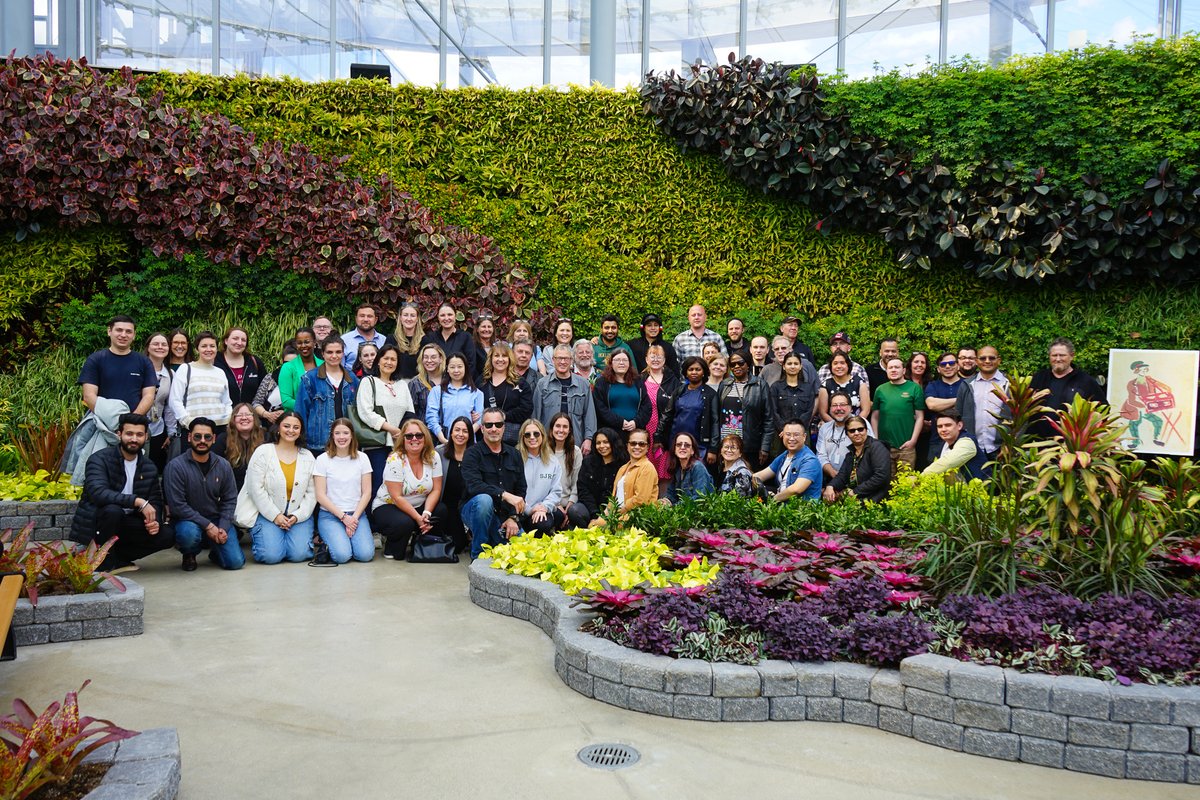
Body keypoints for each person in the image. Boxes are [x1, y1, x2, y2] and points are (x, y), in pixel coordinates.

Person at [69, 413, 170, 572]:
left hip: (127, 522)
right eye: (129, 434)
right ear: (119, 434)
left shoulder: (148, 466)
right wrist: (137, 501)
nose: (134, 439)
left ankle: (115, 558)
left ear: (146, 437)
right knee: (113, 511)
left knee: (168, 535)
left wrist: (154, 521)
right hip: (99, 522)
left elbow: (155, 500)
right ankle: (103, 565)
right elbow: (98, 493)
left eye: (139, 434)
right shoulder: (99, 459)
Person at [239, 411, 318, 564]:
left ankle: (289, 540)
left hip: (297, 514)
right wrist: (275, 516)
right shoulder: (263, 452)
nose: (291, 430)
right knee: (271, 556)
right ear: (278, 428)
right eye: (286, 426)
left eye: (296, 427)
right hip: (268, 511)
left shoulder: (307, 456)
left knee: (298, 555)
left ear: (300, 431)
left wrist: (297, 516)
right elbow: (255, 488)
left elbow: (312, 493)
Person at [166, 417, 242, 571]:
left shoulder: (223, 465)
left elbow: (230, 499)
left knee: (235, 563)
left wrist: (224, 526)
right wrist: (208, 526)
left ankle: (216, 552)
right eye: (197, 436)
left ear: (213, 439)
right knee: (189, 534)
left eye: (207, 437)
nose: (202, 440)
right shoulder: (175, 466)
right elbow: (177, 506)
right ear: (189, 438)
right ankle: (189, 553)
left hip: (216, 518)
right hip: (187, 520)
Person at [371, 419, 446, 559]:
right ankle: (392, 545)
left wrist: (427, 513)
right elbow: (397, 497)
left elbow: (436, 489)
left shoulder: (433, 456)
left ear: (425, 437)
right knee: (404, 523)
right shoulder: (395, 459)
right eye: (409, 436)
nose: (414, 439)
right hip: (389, 505)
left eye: (419, 435)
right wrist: (418, 518)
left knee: (440, 510)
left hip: (419, 505)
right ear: (403, 439)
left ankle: (422, 544)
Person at [462, 408, 527, 559]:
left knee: (523, 548)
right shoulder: (472, 453)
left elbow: (521, 489)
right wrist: (504, 494)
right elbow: (474, 486)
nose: (494, 429)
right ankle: (478, 555)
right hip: (475, 510)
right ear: (482, 428)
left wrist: (513, 518)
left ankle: (495, 539)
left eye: (498, 424)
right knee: (485, 500)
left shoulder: (514, 454)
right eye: (489, 425)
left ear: (504, 427)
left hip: (505, 514)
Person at [355, 343, 416, 496]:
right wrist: (392, 429)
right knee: (377, 487)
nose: (389, 362)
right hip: (377, 445)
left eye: (393, 359)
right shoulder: (368, 382)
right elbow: (365, 412)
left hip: (401, 444)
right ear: (379, 360)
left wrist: (401, 433)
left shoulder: (402, 385)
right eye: (386, 358)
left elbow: (410, 412)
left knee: (400, 487)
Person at [312, 419, 374, 564]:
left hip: (357, 515)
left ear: (352, 435)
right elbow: (320, 495)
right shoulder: (322, 460)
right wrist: (343, 518)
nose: (341, 437)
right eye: (337, 433)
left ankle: (345, 540)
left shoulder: (362, 458)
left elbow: (367, 493)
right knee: (342, 556)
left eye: (345, 433)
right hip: (330, 516)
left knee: (365, 555)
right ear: (332, 436)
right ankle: (331, 542)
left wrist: (354, 519)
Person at [78, 315, 156, 415]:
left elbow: (149, 396)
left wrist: (131, 420)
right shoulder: (95, 359)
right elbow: (88, 395)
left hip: (134, 425)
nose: (123, 335)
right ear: (109, 331)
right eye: (119, 330)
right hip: (101, 422)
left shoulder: (144, 361)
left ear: (134, 335)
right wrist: (110, 419)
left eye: (128, 331)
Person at [1029, 337, 1105, 438]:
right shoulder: (1039, 377)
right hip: (1037, 442)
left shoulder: (1086, 381)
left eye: (1062, 355)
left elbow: (1103, 410)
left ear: (1072, 356)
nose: (1058, 359)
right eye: (1054, 355)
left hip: (1071, 445)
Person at [296, 337, 358, 454]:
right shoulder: (310, 378)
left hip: (346, 443)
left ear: (343, 353)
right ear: (322, 354)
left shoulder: (352, 378)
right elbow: (301, 412)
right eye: (329, 352)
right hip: (318, 444)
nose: (334, 356)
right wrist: (300, 441)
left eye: (338, 352)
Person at [531, 344, 597, 455]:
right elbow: (535, 415)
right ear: (553, 360)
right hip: (548, 442)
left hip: (575, 442)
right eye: (559, 358)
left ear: (571, 360)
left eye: (566, 358)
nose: (562, 362)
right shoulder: (542, 384)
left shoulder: (583, 384)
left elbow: (589, 414)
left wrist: (589, 439)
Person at [955, 345, 1009, 476]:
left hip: (1002, 449)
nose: (987, 361)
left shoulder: (1009, 384)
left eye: (992, 358)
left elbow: (1020, 418)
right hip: (974, 448)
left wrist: (1009, 444)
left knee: (1003, 491)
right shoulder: (967, 385)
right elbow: (958, 416)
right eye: (983, 358)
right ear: (977, 361)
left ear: (999, 360)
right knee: (976, 488)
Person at [658, 356, 719, 466]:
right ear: (686, 373)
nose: (694, 372)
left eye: (698, 369)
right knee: (677, 474)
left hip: (699, 444)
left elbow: (715, 422)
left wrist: (713, 448)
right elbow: (667, 414)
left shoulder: (710, 394)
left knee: (696, 474)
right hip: (677, 442)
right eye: (691, 369)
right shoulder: (679, 391)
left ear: (704, 372)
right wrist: (658, 436)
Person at [168, 330, 233, 431]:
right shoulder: (186, 369)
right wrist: (188, 422)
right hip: (193, 429)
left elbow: (227, 402)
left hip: (220, 428)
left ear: (216, 348)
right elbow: (174, 400)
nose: (208, 349)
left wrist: (228, 420)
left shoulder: (220, 372)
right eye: (204, 346)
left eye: (212, 346)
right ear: (197, 349)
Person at [871, 355, 925, 474]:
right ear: (887, 370)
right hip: (884, 447)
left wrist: (913, 440)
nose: (894, 370)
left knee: (906, 484)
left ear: (904, 370)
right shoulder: (880, 389)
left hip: (906, 447)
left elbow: (920, 417)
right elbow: (875, 417)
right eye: (890, 368)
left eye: (897, 367)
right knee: (887, 484)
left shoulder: (914, 388)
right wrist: (875, 439)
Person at [717, 353, 771, 469]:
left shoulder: (760, 385)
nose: (736, 366)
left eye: (740, 363)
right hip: (726, 443)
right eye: (732, 364)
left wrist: (765, 447)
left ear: (748, 365)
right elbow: (716, 416)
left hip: (749, 445)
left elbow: (768, 419)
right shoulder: (725, 384)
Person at [823, 418, 892, 503]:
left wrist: (855, 492)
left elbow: (881, 476)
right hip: (857, 500)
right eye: (852, 431)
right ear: (847, 434)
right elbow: (842, 476)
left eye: (860, 429)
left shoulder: (877, 447)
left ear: (866, 430)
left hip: (875, 501)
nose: (856, 433)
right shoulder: (850, 454)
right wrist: (830, 486)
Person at [752, 420, 822, 502]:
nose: (791, 438)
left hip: (802, 510)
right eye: (788, 434)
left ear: (804, 437)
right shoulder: (784, 455)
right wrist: (760, 489)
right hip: (781, 505)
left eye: (796, 435)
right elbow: (758, 476)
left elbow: (796, 489)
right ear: (782, 435)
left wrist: (771, 500)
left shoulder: (810, 460)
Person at [516, 419, 563, 536]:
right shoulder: (515, 458)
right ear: (522, 437)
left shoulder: (553, 461)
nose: (532, 437)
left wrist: (544, 507)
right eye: (527, 434)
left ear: (543, 435)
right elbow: (512, 490)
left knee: (545, 522)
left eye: (536, 434)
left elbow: (556, 491)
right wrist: (529, 510)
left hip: (542, 510)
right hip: (520, 512)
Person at [480, 343, 533, 446]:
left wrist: (504, 416)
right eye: (496, 356)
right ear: (490, 359)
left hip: (512, 439)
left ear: (510, 359)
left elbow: (526, 409)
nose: (500, 359)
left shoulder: (520, 383)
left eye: (504, 356)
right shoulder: (482, 382)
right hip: (486, 437)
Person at [815, 391, 874, 482]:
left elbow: (870, 451)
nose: (839, 408)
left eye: (842, 405)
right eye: (834, 405)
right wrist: (834, 474)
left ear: (850, 408)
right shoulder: (825, 428)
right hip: (831, 479)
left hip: (858, 479)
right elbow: (821, 456)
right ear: (829, 409)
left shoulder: (861, 424)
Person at [426, 352, 484, 444]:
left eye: (460, 366)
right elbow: (431, 417)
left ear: (465, 368)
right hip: (443, 441)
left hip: (468, 443)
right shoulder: (437, 391)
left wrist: (467, 434)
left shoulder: (477, 393)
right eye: (452, 367)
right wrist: (442, 438)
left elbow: (480, 419)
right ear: (447, 369)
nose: (456, 370)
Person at [642, 344, 679, 483]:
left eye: (659, 356)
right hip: (646, 430)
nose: (655, 359)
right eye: (652, 356)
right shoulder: (640, 379)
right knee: (646, 469)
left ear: (664, 360)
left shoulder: (672, 380)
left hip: (664, 431)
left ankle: (663, 503)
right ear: (646, 359)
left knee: (664, 470)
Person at [593, 350, 651, 439]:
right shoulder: (602, 382)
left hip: (635, 433)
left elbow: (646, 406)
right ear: (611, 363)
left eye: (625, 360)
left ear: (629, 363)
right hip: (610, 433)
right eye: (617, 360)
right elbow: (600, 408)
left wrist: (636, 422)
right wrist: (620, 422)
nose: (621, 363)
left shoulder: (638, 381)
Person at [575, 427, 626, 527]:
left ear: (613, 443)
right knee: (575, 511)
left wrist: (606, 515)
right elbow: (583, 489)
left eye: (606, 442)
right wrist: (595, 514)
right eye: (598, 443)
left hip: (614, 510)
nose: (602, 446)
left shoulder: (623, 464)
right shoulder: (588, 462)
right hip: (591, 509)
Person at [767, 352, 819, 450]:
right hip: (781, 434)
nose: (792, 366)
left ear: (800, 367)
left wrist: (796, 431)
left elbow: (808, 412)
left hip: (802, 433)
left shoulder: (808, 388)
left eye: (796, 364)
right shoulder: (776, 387)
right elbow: (773, 411)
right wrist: (785, 430)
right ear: (784, 366)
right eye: (789, 363)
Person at [1120, 360, 1172, 451]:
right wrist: (1142, 406)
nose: (1144, 371)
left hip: (1149, 405)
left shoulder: (1150, 380)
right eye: (1142, 369)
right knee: (1134, 423)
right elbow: (1132, 400)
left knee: (1158, 421)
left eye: (1145, 369)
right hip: (1136, 407)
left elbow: (1163, 386)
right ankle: (1135, 442)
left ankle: (1156, 438)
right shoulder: (1131, 384)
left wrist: (1166, 393)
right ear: (1137, 370)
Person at [439, 416, 474, 552]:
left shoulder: (475, 454)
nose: (460, 434)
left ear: (470, 434)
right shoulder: (439, 452)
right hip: (445, 507)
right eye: (457, 430)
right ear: (451, 432)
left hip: (465, 506)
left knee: (458, 546)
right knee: (456, 546)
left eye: (465, 431)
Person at [143, 332, 175, 474]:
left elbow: (169, 405)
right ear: (148, 347)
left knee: (153, 469)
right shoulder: (139, 369)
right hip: (137, 427)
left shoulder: (171, 374)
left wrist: (170, 431)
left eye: (164, 344)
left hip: (158, 428)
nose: (160, 347)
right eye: (156, 344)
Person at [923, 352, 964, 465]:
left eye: (951, 363)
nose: (947, 367)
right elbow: (932, 404)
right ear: (938, 369)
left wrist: (942, 403)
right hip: (937, 439)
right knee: (935, 475)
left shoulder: (967, 385)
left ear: (958, 366)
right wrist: (958, 400)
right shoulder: (932, 385)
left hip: (963, 439)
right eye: (943, 364)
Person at [213, 403, 264, 490]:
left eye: (248, 414)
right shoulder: (223, 439)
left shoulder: (265, 438)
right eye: (239, 415)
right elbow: (215, 467)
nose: (244, 418)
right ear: (233, 419)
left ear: (254, 418)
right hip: (231, 490)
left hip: (259, 489)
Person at [546, 412, 584, 529]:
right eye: (557, 426)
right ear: (551, 429)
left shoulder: (575, 452)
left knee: (574, 515)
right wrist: (556, 505)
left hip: (570, 503)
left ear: (569, 430)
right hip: (549, 503)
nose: (561, 430)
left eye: (565, 427)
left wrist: (569, 507)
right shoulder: (543, 451)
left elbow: (577, 482)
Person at [923, 411, 986, 481]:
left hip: (980, 489)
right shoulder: (944, 444)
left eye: (948, 425)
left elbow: (948, 463)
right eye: (940, 426)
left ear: (959, 425)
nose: (943, 429)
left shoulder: (967, 442)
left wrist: (921, 477)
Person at [610, 429, 659, 517]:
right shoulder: (622, 468)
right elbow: (613, 499)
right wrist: (605, 516)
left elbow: (640, 500)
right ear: (627, 446)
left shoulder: (647, 467)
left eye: (641, 444)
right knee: (592, 525)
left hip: (635, 518)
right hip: (617, 516)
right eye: (633, 443)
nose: (637, 447)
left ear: (647, 447)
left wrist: (616, 515)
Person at [214, 326, 265, 407]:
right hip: (222, 415)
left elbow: (264, 391)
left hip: (249, 416)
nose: (239, 343)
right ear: (226, 341)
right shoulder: (214, 361)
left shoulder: (254, 362)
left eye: (243, 340)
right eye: (235, 338)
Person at [252, 341, 297, 430]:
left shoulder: (306, 380)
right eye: (286, 363)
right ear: (282, 361)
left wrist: (286, 413)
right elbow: (256, 403)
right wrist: (268, 415)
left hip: (294, 427)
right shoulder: (270, 378)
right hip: (268, 428)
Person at [421, 303, 477, 374]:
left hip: (459, 382)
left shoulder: (466, 337)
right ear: (438, 317)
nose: (446, 318)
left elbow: (471, 365)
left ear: (455, 316)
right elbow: (423, 362)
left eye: (450, 314)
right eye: (442, 315)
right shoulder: (430, 338)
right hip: (434, 383)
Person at [817, 349, 871, 422]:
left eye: (842, 363)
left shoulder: (859, 382)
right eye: (835, 363)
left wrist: (854, 425)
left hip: (857, 427)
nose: (839, 366)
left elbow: (866, 409)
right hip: (833, 427)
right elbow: (823, 413)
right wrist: (837, 426)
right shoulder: (825, 385)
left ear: (848, 365)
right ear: (831, 366)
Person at [664, 431, 714, 503]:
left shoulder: (698, 467)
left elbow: (699, 498)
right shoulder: (678, 468)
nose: (682, 447)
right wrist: (665, 501)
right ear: (674, 449)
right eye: (679, 445)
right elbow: (671, 494)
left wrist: (674, 507)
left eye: (687, 445)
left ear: (692, 451)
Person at [279, 327, 322, 411]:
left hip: (321, 418)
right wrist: (313, 407)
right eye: (299, 343)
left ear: (314, 342)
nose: (303, 346)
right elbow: (286, 401)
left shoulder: (323, 365)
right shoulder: (288, 367)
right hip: (297, 418)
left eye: (307, 342)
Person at [341, 303, 386, 371]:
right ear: (356, 318)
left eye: (369, 316)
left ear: (376, 320)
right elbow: (338, 369)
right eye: (362, 316)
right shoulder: (344, 340)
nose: (365, 319)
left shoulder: (384, 340)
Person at [387, 302, 424, 379]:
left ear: (417, 319)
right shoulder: (391, 339)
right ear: (400, 317)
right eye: (405, 315)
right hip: (396, 384)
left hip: (418, 385)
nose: (409, 319)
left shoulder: (425, 340)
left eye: (412, 315)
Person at [409, 343, 445, 421]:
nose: (429, 361)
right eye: (426, 357)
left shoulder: (449, 380)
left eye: (433, 357)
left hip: (449, 429)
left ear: (441, 359)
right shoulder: (415, 383)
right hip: (424, 429)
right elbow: (411, 413)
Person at [472, 311, 498, 380]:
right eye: (483, 327)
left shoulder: (497, 347)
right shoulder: (472, 347)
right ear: (477, 329)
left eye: (489, 327)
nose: (486, 330)